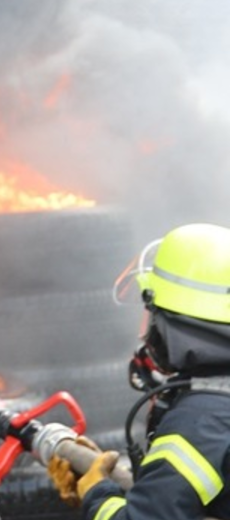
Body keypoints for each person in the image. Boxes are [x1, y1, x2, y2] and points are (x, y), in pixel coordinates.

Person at [47, 222, 230, 519]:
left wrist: (97, 493)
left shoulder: (201, 422)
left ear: (174, 322)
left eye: (152, 315)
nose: (143, 334)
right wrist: (109, 477)